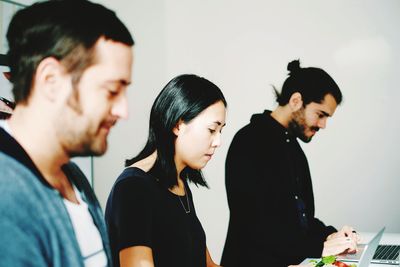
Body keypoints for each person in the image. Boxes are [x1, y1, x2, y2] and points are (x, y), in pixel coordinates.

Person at [0, 1, 134, 266]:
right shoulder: (7, 197)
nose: (123, 110)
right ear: (50, 80)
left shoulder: (72, 177)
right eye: (111, 90)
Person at [221, 60, 359, 267]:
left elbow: (299, 219)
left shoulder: (292, 147)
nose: (323, 125)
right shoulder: (249, 141)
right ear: (296, 101)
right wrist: (318, 247)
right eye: (320, 115)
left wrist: (332, 236)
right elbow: (256, 226)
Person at [105, 74, 227, 267]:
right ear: (178, 125)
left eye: (221, 131)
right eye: (212, 130)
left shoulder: (179, 185)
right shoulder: (133, 187)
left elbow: (208, 265)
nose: (218, 142)